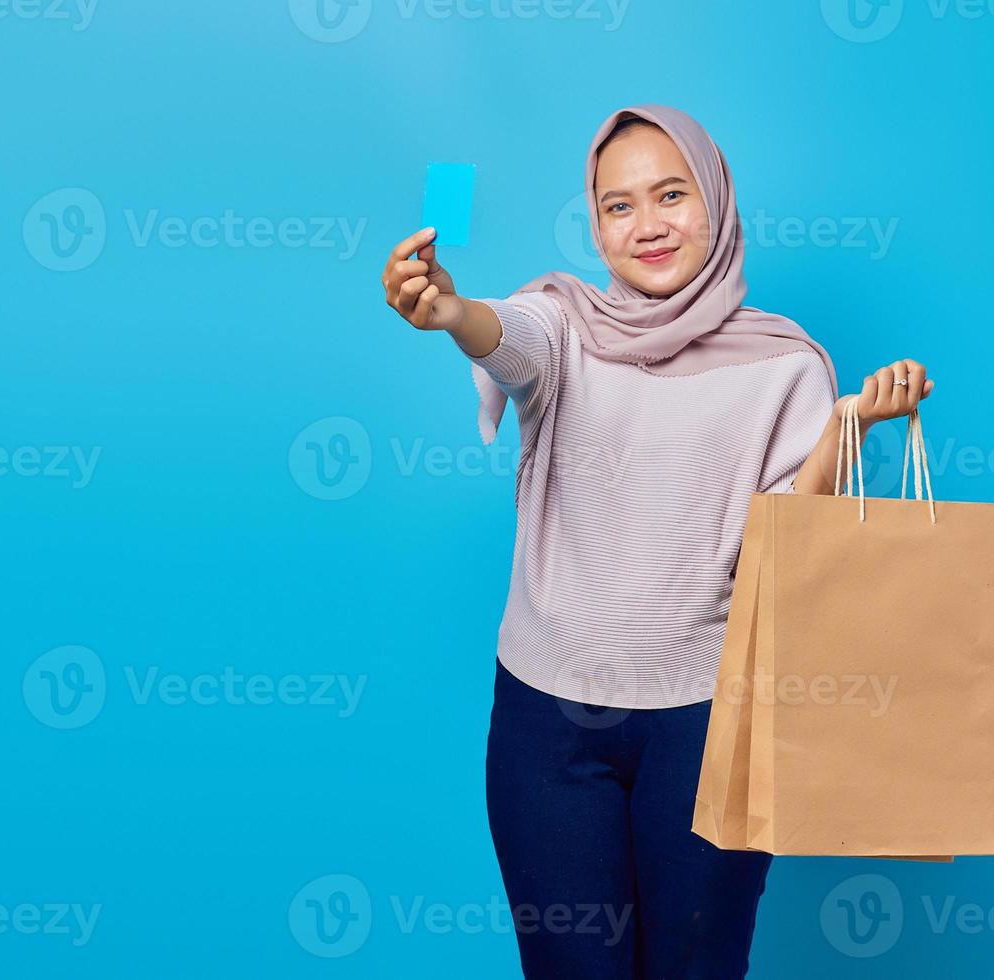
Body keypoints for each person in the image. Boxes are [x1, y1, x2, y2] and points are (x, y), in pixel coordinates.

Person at [381, 104, 932, 979]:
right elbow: (508, 340)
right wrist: (453, 312)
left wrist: (851, 425)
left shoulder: (787, 365)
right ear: (595, 225)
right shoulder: (563, 325)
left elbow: (787, 547)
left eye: (671, 194)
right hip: (549, 727)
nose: (648, 225)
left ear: (715, 200)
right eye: (618, 205)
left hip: (713, 726)